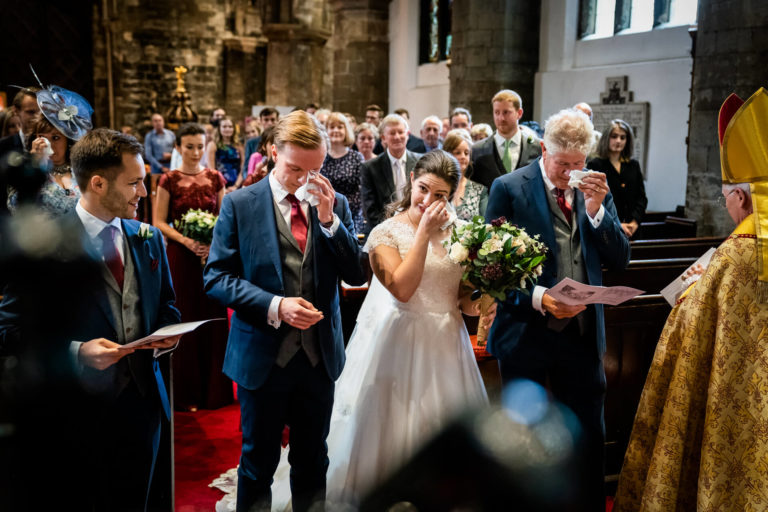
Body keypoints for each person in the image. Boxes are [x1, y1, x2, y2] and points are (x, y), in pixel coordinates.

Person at [213, 150, 490, 510]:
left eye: (440, 195)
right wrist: (424, 232)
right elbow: (403, 290)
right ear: (411, 181)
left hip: (446, 344)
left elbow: (464, 300)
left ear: (454, 194)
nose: (429, 201)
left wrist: (487, 292)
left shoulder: (463, 235)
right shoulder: (387, 233)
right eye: (423, 189)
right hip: (398, 342)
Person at [0, 128, 182, 511]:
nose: (144, 193)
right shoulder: (47, 245)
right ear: (97, 183)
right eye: (134, 183)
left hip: (143, 402)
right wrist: (77, 351)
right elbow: (8, 329)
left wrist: (167, 333)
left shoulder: (147, 237)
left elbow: (167, 305)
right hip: (74, 414)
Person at [613, 88, 768, 512]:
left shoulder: (735, 255)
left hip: (733, 405)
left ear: (741, 196)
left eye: (726, 194)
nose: (724, 202)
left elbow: (691, 320)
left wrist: (687, 297)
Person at [203, 110, 366, 512]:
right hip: (263, 355)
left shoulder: (335, 202)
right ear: (274, 151)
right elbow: (216, 278)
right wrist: (275, 305)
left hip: (318, 356)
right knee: (258, 463)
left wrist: (329, 222)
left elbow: (354, 273)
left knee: (313, 461)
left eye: (316, 169)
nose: (305, 179)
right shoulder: (240, 204)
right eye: (295, 168)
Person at [485, 108, 630, 511]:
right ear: (543, 149)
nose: (571, 173)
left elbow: (620, 258)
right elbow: (489, 268)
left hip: (582, 335)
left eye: (578, 163)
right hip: (525, 332)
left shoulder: (595, 187)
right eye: (562, 164)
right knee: (522, 437)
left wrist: (598, 210)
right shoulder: (509, 187)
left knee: (587, 433)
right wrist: (540, 298)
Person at [153, 123, 232, 412]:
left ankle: (215, 392)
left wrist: (213, 243)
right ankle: (185, 393)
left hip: (212, 256)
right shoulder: (168, 179)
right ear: (178, 147)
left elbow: (225, 218)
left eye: (200, 146)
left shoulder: (215, 177)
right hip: (181, 256)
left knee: (213, 316)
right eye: (189, 146)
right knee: (184, 316)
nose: (195, 152)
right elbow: (159, 221)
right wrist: (187, 241)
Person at [7, 85, 94, 217]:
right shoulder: (28, 171)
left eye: (56, 138)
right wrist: (33, 164)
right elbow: (15, 207)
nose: (48, 144)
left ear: (68, 141)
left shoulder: (82, 171)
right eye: (42, 137)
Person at [360, 113, 421, 234]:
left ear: (407, 135)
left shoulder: (421, 162)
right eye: (392, 133)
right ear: (383, 138)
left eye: (400, 132)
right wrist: (392, 232)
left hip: (416, 228)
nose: (397, 137)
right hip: (383, 230)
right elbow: (371, 210)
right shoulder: (370, 167)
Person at [471, 89, 542, 189]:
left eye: (506, 112)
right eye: (497, 112)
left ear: (519, 113)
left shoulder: (537, 147)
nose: (501, 118)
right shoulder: (477, 150)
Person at [587, 119, 647, 238]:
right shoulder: (595, 165)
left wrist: (634, 223)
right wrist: (617, 224)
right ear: (606, 139)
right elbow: (594, 201)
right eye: (614, 136)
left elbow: (641, 198)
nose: (618, 141)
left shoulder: (633, 165)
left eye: (622, 137)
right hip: (607, 229)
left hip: (632, 230)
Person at [321, 112, 366, 234]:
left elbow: (361, 192)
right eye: (331, 127)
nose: (336, 130)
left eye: (340, 127)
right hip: (323, 216)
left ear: (346, 130)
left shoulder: (357, 157)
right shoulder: (321, 157)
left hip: (352, 217)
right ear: (326, 131)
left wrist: (340, 208)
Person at [444, 128, 487, 221]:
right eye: (457, 152)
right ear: (447, 154)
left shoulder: (479, 190)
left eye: (466, 153)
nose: (463, 156)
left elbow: (486, 224)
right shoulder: (436, 186)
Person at [207, 116, 243, 191]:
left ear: (234, 129)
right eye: (224, 126)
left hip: (237, 185)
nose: (227, 129)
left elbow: (243, 168)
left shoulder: (239, 145)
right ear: (219, 129)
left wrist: (236, 186)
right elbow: (211, 170)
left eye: (230, 126)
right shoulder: (213, 145)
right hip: (219, 186)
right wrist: (222, 188)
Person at [242, 107, 280, 178]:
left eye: (272, 119)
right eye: (266, 120)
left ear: (278, 120)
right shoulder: (252, 142)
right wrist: (248, 181)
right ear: (260, 121)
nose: (269, 123)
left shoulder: (283, 141)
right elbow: (246, 167)